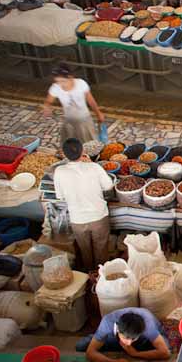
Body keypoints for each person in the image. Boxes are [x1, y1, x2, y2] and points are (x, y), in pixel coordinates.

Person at [53, 138, 113, 272]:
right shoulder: (94, 167)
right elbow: (108, 185)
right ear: (83, 152)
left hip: (77, 219)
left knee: (85, 250)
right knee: (101, 248)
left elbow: (60, 196)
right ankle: (101, 275)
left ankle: (89, 273)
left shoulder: (59, 171)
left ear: (64, 154)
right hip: (98, 216)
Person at [80, 308, 170, 362]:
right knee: (81, 346)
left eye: (133, 339)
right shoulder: (107, 322)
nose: (129, 343)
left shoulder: (148, 325)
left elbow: (165, 353)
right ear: (118, 330)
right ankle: (98, 336)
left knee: (166, 347)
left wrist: (135, 353)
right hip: (114, 338)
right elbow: (90, 352)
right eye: (125, 338)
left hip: (143, 340)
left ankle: (135, 342)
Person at [43, 64, 104, 144]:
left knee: (89, 143)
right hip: (69, 120)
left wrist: (98, 113)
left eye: (63, 81)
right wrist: (47, 107)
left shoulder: (81, 84)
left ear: (70, 77)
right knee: (70, 143)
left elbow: (90, 100)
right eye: (58, 81)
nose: (61, 84)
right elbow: (48, 101)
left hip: (84, 119)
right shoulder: (55, 88)